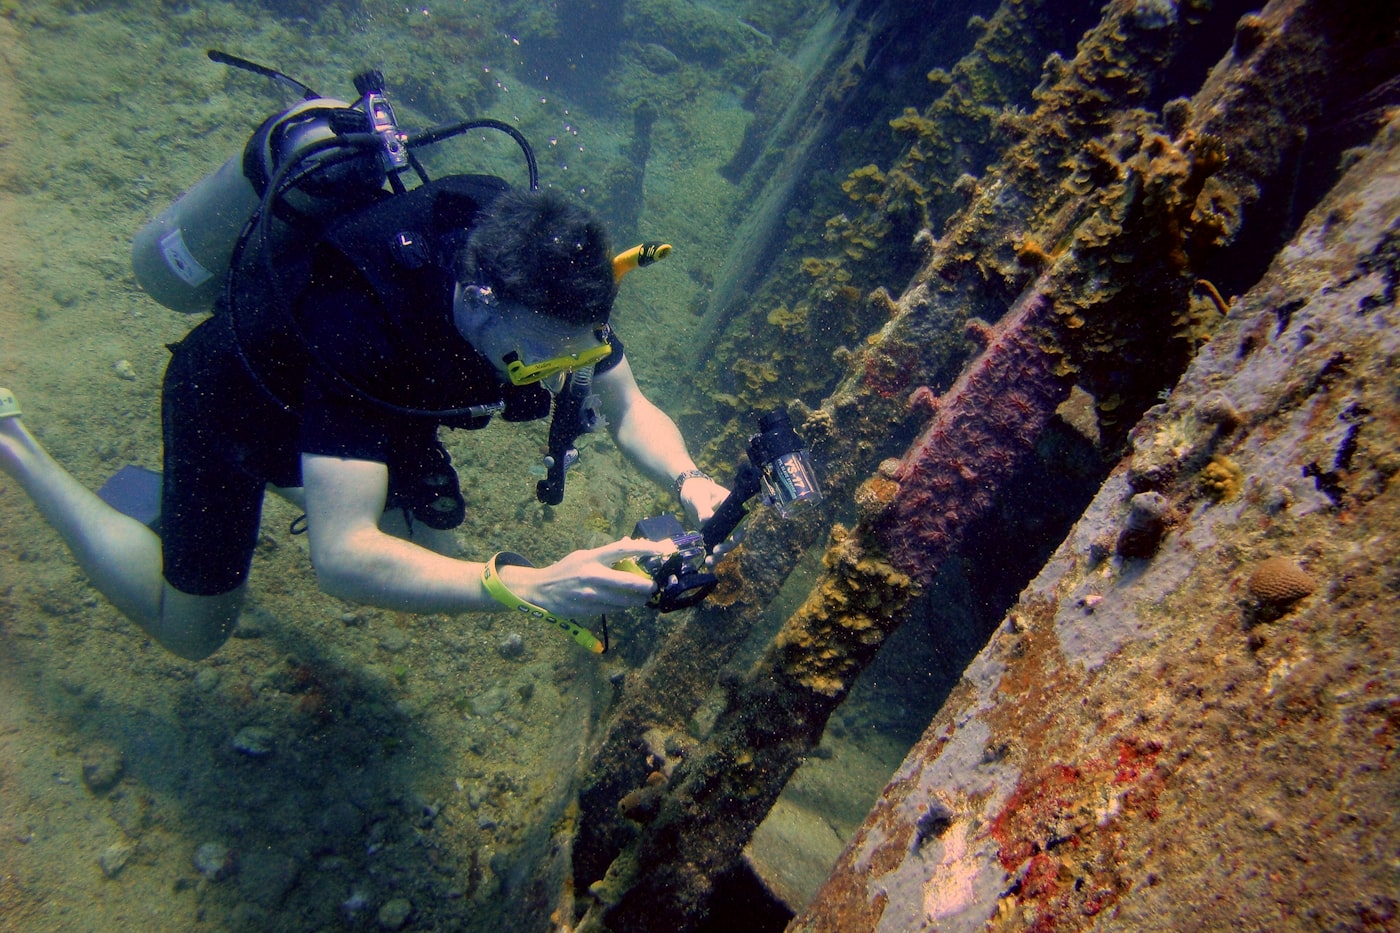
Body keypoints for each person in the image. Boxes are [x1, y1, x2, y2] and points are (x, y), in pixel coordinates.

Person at [0, 180, 730, 660]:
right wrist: (527, 585)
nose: (562, 370)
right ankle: (16, 441)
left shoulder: (538, 278)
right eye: (542, 357)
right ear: (476, 300)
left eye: (582, 348)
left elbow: (627, 405)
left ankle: (317, 489)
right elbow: (343, 562)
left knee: (434, 545)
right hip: (238, 406)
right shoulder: (362, 323)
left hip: (356, 404)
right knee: (195, 631)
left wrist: (691, 479)